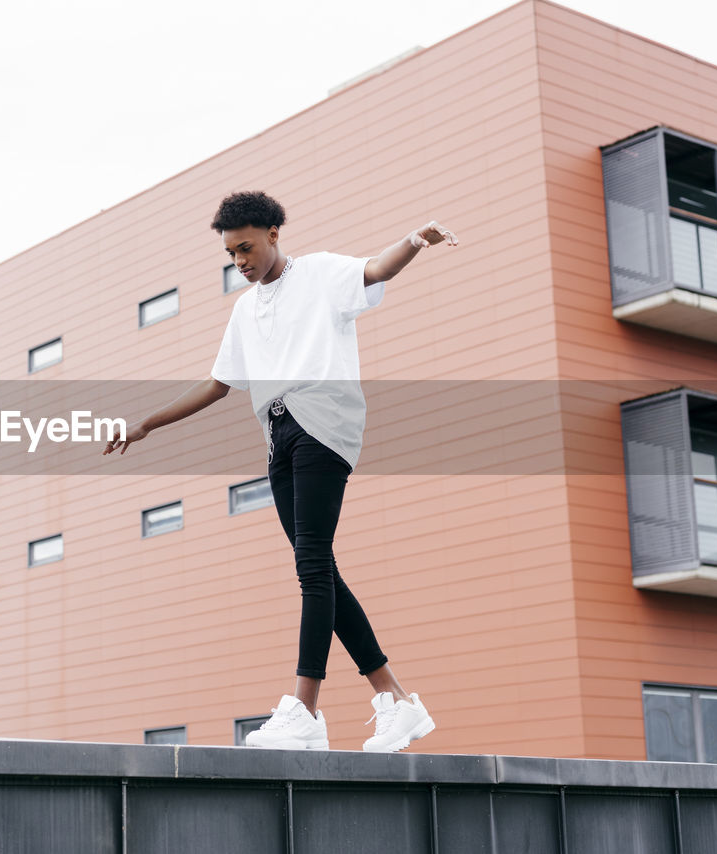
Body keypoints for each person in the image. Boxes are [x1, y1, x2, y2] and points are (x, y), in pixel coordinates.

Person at [103, 190, 458, 752]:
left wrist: (417, 239)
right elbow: (218, 384)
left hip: (323, 422)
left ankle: (305, 707)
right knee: (321, 572)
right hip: (278, 438)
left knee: (312, 566)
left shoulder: (319, 274)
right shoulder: (244, 310)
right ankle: (395, 699)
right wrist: (146, 424)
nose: (239, 261)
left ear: (273, 233)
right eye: (230, 254)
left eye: (246, 247)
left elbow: (375, 267)